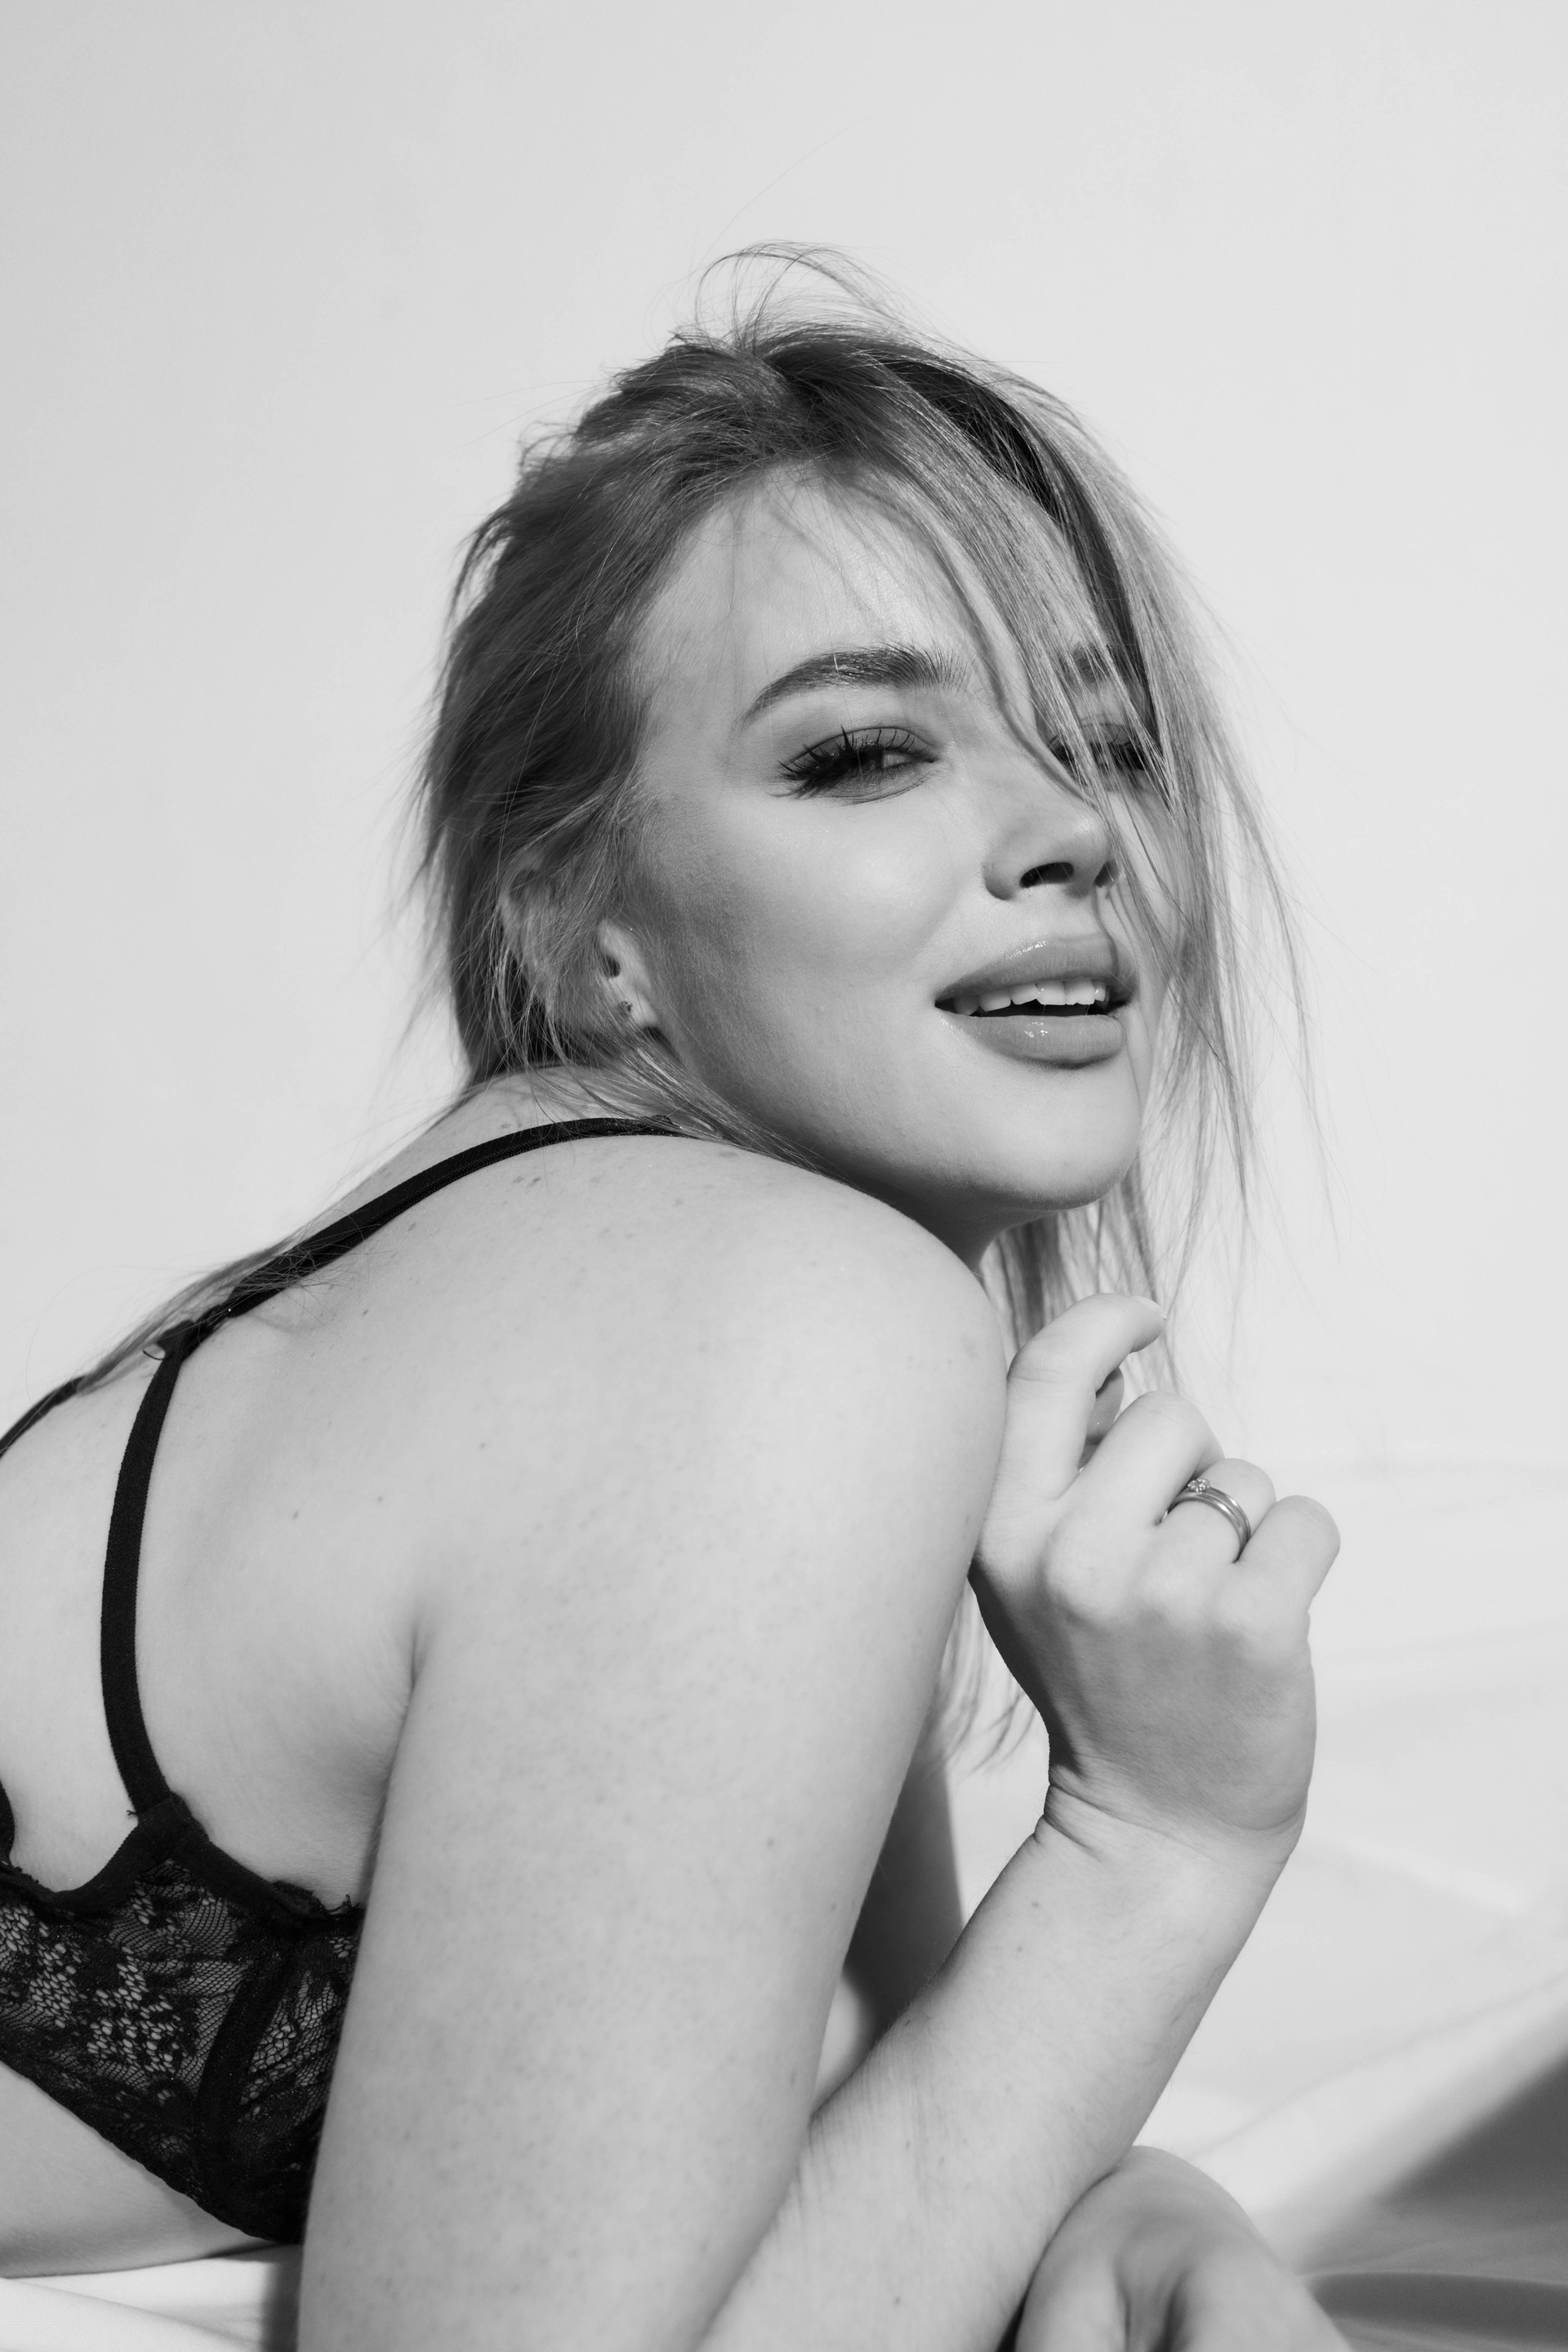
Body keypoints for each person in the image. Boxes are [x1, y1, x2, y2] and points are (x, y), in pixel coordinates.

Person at [0, 256, 1345, 2350]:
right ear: (581, 926)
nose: (1074, 828)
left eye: (1107, 741)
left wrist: (1136, 2204)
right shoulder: (776, 1318)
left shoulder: (619, 1297)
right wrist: (1160, 1843)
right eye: (867, 753)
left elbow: (858, 2138)